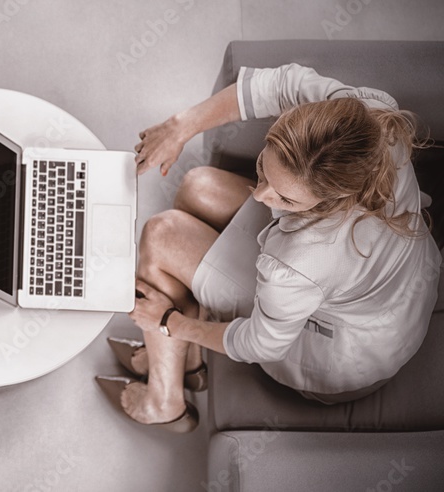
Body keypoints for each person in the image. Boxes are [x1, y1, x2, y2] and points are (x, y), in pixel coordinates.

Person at [95, 63, 442, 432]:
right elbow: (277, 84)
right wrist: (182, 126)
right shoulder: (370, 119)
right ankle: (192, 365)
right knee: (196, 186)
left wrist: (171, 322)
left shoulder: (296, 264)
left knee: (161, 234)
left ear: (333, 196)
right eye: (263, 169)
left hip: (335, 351)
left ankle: (164, 401)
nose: (260, 196)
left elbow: (260, 345)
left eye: (286, 199)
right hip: (387, 294)